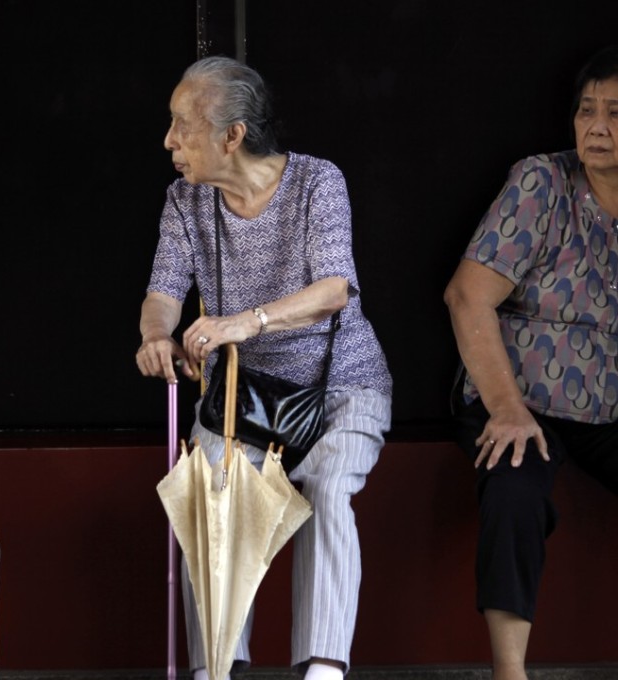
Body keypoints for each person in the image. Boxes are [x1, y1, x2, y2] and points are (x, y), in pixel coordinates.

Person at [444, 44, 618, 680]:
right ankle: (509, 673)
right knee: (514, 486)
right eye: (586, 110)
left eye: (616, 113)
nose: (595, 126)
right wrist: (508, 411)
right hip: (521, 393)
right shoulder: (542, 183)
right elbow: (467, 296)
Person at [136, 56, 392, 680]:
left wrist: (243, 322)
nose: (169, 140)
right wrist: (155, 335)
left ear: (233, 134)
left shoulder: (315, 183)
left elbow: (335, 289)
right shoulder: (186, 199)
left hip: (340, 385)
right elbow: (163, 291)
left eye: (181, 125)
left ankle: (323, 671)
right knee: (209, 489)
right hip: (240, 396)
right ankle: (217, 668)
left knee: (328, 489)